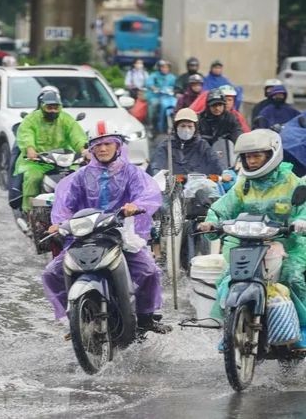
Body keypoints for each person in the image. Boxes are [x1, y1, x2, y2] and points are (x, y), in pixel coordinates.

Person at [41, 121, 170, 333]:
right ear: (91, 149)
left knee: (149, 271)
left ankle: (146, 318)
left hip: (119, 234)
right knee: (51, 273)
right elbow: (65, 204)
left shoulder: (131, 173)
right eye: (97, 145)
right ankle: (73, 319)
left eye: (107, 143)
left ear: (118, 146)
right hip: (85, 235)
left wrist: (135, 206)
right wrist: (58, 224)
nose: (102, 149)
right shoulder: (81, 176)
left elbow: (148, 193)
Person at [198, 129, 306, 349]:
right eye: (248, 156)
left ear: (272, 155)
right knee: (228, 279)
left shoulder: (291, 182)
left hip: (288, 244)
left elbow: (304, 207)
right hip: (248, 243)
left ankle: (303, 327)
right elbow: (223, 207)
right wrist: (211, 221)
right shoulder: (243, 183)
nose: (252, 160)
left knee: (292, 276)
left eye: (257, 155)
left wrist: (301, 222)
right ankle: (231, 328)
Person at [13, 90, 87, 212]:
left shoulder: (66, 119)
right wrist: (30, 148)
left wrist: (83, 150)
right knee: (33, 178)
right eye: (49, 107)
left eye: (56, 107)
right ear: (42, 106)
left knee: (77, 178)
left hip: (63, 161)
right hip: (36, 162)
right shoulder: (31, 119)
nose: (53, 110)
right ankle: (29, 211)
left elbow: (76, 136)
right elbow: (26, 134)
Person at [149, 108, 225, 175]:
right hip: (171, 187)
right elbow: (156, 165)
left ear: (195, 128)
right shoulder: (166, 145)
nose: (186, 130)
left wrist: (225, 173)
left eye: (190, 126)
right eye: (183, 126)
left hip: (198, 186)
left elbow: (216, 163)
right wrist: (158, 175)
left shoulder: (202, 145)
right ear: (176, 128)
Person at [145, 60, 176, 131]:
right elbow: (149, 83)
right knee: (154, 104)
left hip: (167, 97)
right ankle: (151, 123)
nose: (165, 69)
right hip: (156, 96)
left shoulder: (172, 77)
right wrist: (154, 88)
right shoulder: (154, 75)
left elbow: (175, 86)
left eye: (167, 67)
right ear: (159, 68)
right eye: (163, 67)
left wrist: (175, 90)